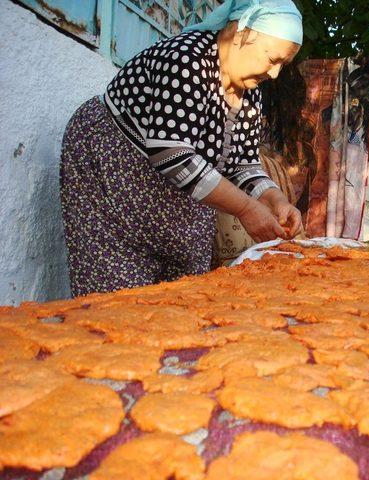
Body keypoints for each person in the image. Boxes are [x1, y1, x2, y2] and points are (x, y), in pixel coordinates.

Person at [59, 0, 303, 297]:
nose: (275, 74)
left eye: (283, 65)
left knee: (181, 294)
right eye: (271, 58)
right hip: (112, 171)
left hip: (170, 186)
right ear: (241, 32)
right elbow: (171, 154)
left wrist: (274, 199)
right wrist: (246, 208)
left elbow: (243, 163)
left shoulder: (249, 93)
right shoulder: (187, 59)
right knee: (116, 299)